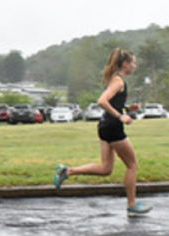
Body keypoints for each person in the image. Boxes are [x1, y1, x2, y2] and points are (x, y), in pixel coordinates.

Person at [51, 48, 152, 217]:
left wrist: (127, 108)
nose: (135, 65)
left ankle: (67, 171)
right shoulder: (118, 81)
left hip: (104, 126)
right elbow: (102, 101)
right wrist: (121, 116)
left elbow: (112, 102)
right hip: (113, 127)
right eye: (133, 62)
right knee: (132, 165)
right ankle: (132, 204)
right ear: (125, 64)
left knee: (106, 169)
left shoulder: (115, 80)